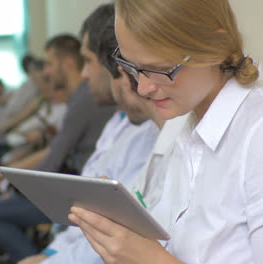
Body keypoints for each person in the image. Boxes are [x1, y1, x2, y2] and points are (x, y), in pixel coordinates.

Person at [69, 1, 263, 264]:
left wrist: (149, 259)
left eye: (160, 69)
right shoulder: (186, 127)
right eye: (133, 67)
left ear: (213, 46)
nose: (142, 88)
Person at [18, 4, 162, 264]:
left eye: (88, 61)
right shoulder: (121, 122)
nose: (84, 74)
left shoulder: (149, 135)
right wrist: (50, 255)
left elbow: (110, 236)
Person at [0, 34, 117, 263]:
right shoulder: (79, 98)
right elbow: (54, 150)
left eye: (50, 64)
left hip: (73, 195)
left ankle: (34, 258)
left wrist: (14, 186)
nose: (46, 72)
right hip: (72, 186)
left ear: (68, 63)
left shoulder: (84, 99)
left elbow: (53, 159)